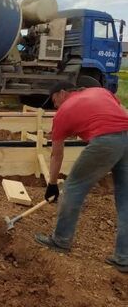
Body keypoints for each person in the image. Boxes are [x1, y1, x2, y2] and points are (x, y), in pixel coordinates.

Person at [35, 81, 128, 273]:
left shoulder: (63, 112)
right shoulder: (101, 91)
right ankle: (124, 257)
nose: (55, 106)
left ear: (62, 93)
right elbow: (119, 113)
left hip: (106, 140)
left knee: (73, 187)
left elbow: (56, 154)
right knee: (126, 199)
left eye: (54, 101)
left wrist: (52, 184)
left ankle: (60, 240)